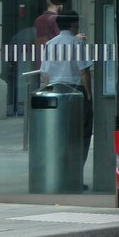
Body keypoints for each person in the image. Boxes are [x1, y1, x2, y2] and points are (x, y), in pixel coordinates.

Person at [39, 10, 93, 186]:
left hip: (55, 91)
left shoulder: (50, 44)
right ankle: (75, 176)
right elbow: (84, 72)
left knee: (60, 135)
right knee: (81, 135)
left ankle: (59, 176)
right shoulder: (77, 43)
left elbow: (44, 73)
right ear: (73, 24)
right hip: (76, 92)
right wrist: (89, 94)